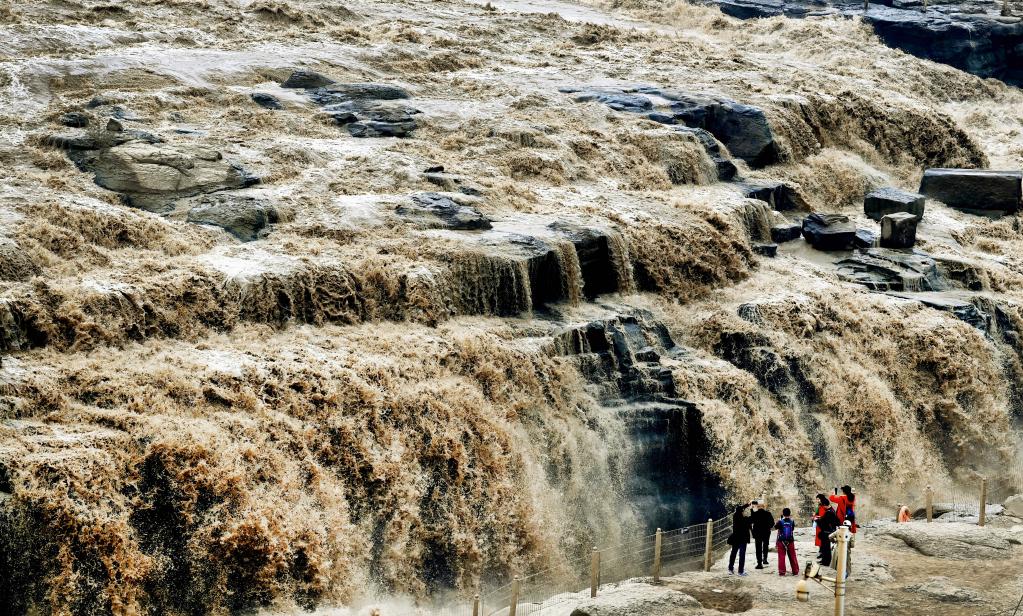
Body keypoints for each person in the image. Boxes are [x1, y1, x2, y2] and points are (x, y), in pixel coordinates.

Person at [814, 493, 840, 567]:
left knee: (826, 548)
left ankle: (825, 562)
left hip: (827, 532)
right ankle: (824, 561)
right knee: (825, 547)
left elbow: (823, 522)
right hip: (829, 531)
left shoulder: (829, 512)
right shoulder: (832, 511)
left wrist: (817, 520)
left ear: (825, 505)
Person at [727, 503, 751, 576]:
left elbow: (739, 509)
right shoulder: (745, 519)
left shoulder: (735, 516)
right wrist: (753, 509)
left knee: (733, 553)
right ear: (742, 512)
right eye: (743, 511)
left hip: (735, 538)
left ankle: (730, 569)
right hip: (743, 539)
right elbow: (752, 518)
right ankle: (740, 571)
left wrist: (747, 505)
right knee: (742, 555)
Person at [750, 501, 775, 570]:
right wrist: (768, 527)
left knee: (758, 547)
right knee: (765, 545)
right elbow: (772, 523)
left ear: (757, 507)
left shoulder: (755, 514)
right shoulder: (768, 513)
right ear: (763, 507)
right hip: (766, 532)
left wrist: (752, 509)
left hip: (757, 533)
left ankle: (759, 564)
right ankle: (765, 559)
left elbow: (751, 521)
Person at [774, 508, 799, 576]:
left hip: (781, 541)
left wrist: (778, 521)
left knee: (781, 557)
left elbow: (775, 527)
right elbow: (792, 529)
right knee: (792, 556)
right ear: (789, 513)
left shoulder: (780, 521)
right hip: (790, 541)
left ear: (783, 513)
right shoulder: (792, 521)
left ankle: (782, 572)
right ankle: (795, 571)